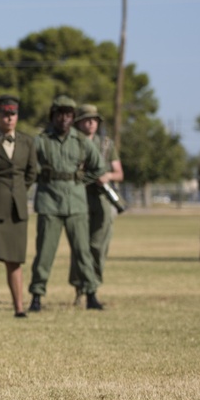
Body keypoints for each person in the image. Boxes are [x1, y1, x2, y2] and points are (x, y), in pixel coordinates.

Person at [28, 95, 106, 312]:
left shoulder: (80, 141)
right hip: (49, 203)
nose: (64, 119)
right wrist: (39, 177)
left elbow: (99, 167)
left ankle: (91, 294)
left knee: (83, 252)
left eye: (69, 114)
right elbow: (29, 168)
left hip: (76, 204)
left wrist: (82, 180)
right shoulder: (41, 141)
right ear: (53, 116)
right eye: (60, 114)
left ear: (73, 118)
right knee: (44, 253)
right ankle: (36, 295)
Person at [0, 95, 38, 318]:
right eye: (5, 114)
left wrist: (19, 190)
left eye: (13, 114)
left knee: (15, 260)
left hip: (17, 209)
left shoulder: (28, 142)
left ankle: (19, 308)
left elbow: (32, 172)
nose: (9, 118)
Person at [68, 104, 123, 301]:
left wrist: (106, 176)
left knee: (99, 245)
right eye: (86, 119)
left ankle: (94, 285)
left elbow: (119, 173)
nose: (91, 123)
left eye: (94, 120)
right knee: (79, 246)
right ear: (78, 122)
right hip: (79, 197)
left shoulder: (106, 144)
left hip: (102, 199)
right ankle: (79, 288)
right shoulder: (72, 143)